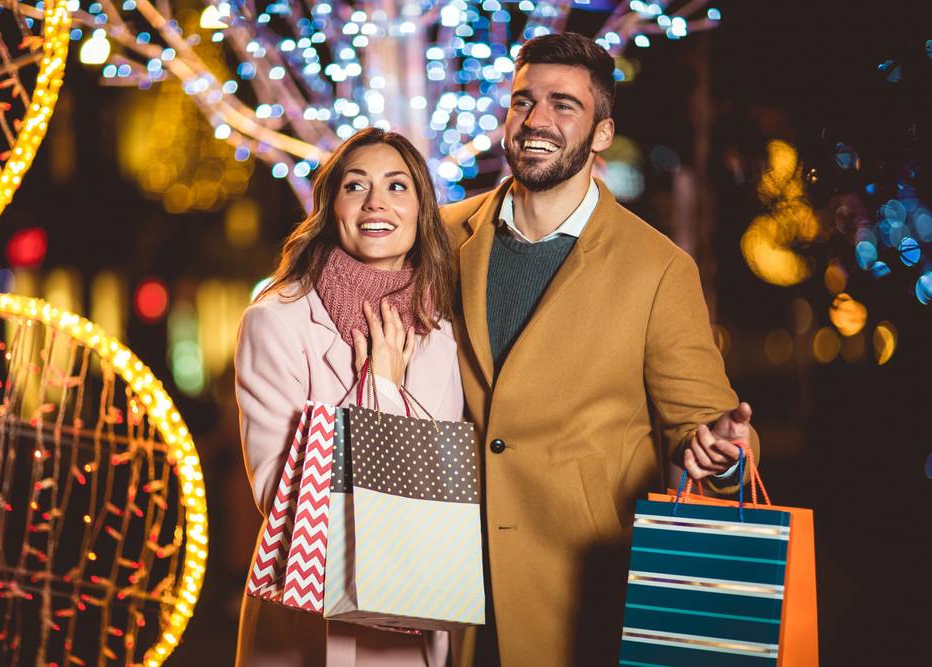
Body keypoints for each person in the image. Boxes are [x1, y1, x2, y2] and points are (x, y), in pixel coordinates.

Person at [440, 32, 760, 666]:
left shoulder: (658, 269)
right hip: (440, 589)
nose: (536, 121)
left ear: (603, 132)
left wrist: (722, 455)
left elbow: (705, 427)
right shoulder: (441, 236)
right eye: (522, 101)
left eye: (564, 105)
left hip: (580, 601)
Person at [234, 127, 462, 666]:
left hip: (424, 611)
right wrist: (378, 390)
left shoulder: (451, 323)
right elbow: (279, 497)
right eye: (355, 186)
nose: (376, 202)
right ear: (331, 205)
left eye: (397, 186)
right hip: (317, 623)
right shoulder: (278, 321)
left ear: (421, 209)